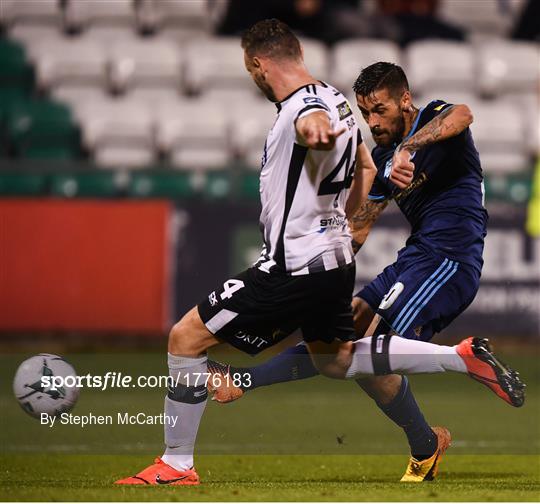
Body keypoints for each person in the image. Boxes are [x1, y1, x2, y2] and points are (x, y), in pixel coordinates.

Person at [115, 21, 525, 486]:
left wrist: (403, 145)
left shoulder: (430, 117)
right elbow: (365, 210)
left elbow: (464, 115)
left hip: (448, 259)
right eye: (367, 112)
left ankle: (452, 379)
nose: (373, 121)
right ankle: (427, 441)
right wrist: (337, 253)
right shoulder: (379, 149)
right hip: (402, 257)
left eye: (381, 110)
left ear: (405, 101)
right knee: (343, 351)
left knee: (364, 353)